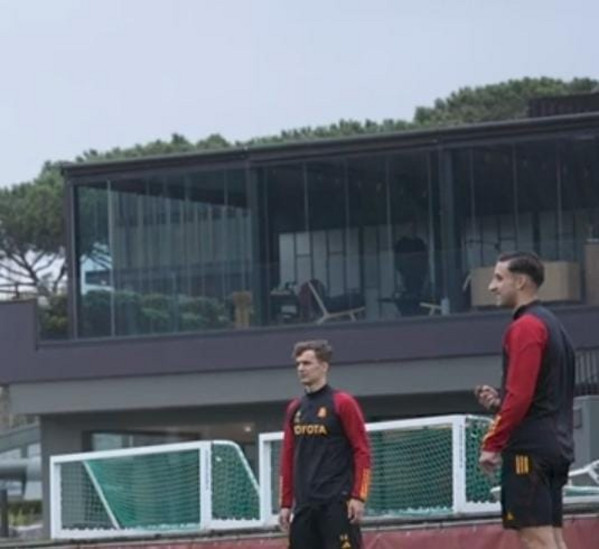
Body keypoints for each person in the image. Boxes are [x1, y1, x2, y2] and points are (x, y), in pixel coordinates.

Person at [476, 252, 575, 549]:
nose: (492, 287)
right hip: (554, 446)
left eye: (499, 278)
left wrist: (492, 443)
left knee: (536, 538)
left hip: (529, 451)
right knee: (553, 537)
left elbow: (520, 397)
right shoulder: (555, 325)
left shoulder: (525, 327)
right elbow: (543, 393)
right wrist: (499, 403)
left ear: (520, 282)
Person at [279, 339, 371, 549]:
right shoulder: (295, 408)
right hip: (304, 505)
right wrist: (285, 503)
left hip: (337, 504)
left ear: (324, 366)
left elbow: (362, 451)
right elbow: (287, 457)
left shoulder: (343, 403)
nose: (301, 369)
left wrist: (359, 496)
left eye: (307, 363)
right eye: (298, 364)